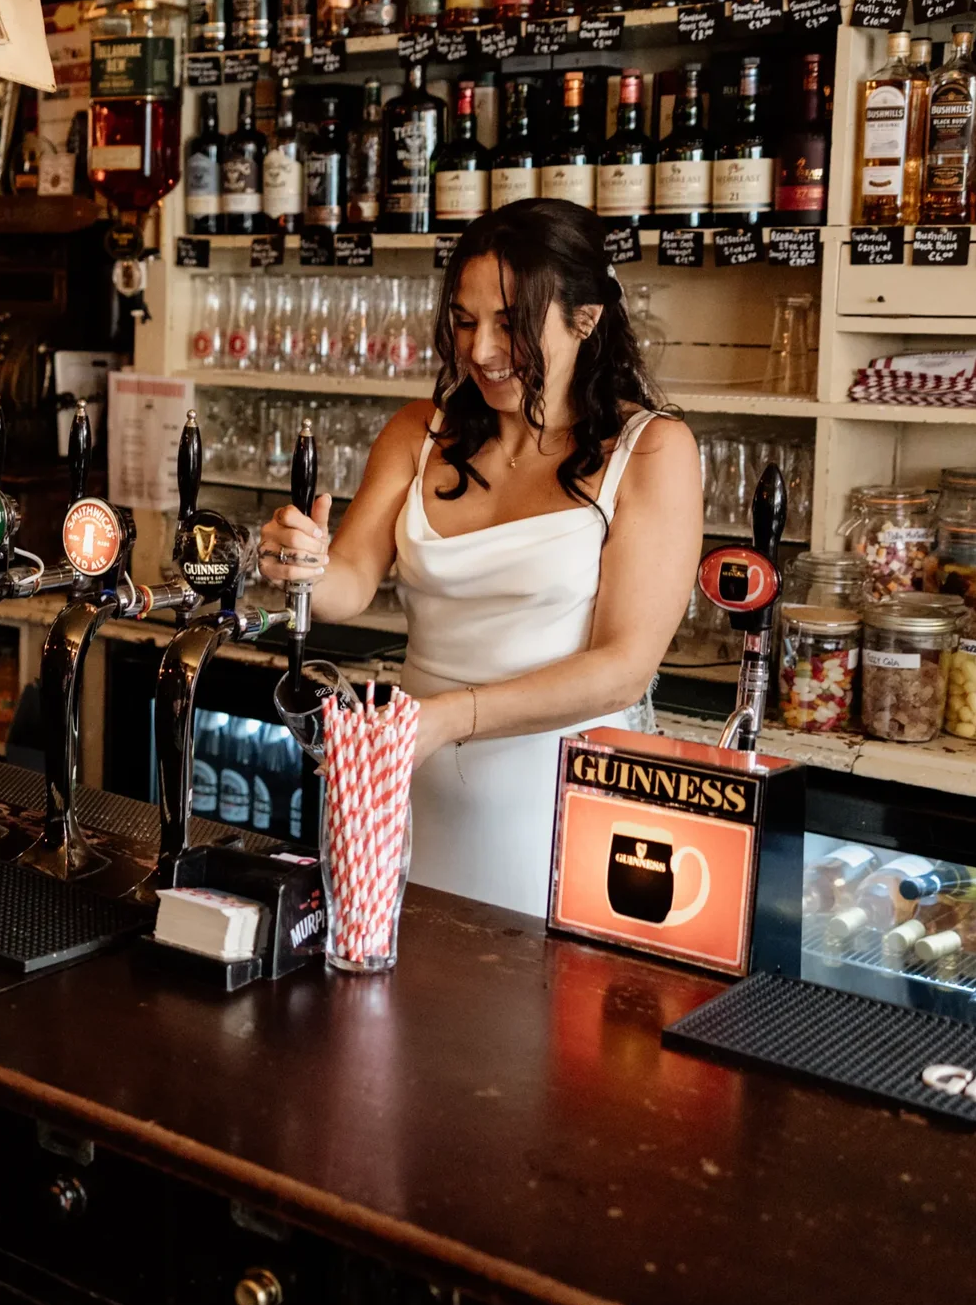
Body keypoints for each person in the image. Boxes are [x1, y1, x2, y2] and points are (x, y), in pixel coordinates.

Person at [257, 199, 701, 915]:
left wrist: (445, 719)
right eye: (465, 322)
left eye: (511, 323)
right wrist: (300, 565)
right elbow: (348, 583)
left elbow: (624, 668)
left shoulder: (652, 450)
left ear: (585, 318)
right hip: (407, 788)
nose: (482, 350)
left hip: (559, 805)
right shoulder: (418, 431)